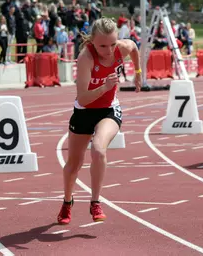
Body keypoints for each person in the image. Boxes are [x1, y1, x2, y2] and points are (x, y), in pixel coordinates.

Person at [57, 18, 142, 225]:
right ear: (92, 42)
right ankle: (67, 202)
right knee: (73, 164)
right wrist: (104, 86)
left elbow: (133, 48)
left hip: (109, 110)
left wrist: (138, 74)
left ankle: (95, 201)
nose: (109, 49)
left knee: (98, 149)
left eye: (112, 44)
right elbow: (83, 98)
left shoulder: (121, 48)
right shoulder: (86, 58)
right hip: (84, 111)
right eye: (103, 45)